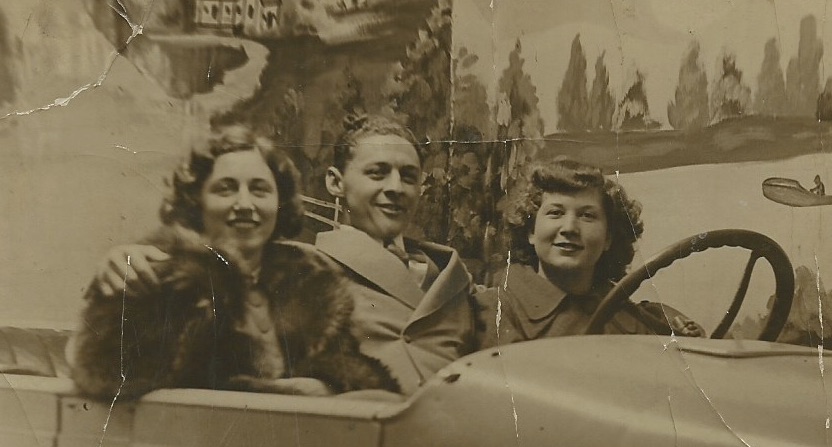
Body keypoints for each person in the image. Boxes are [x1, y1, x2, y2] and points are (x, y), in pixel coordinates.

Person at [70, 125, 399, 399]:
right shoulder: (159, 273)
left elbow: (352, 376)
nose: (245, 204)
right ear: (197, 201)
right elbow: (105, 376)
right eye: (226, 189)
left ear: (279, 203)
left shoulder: (312, 281)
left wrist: (325, 387)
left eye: (260, 190)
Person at [316, 114, 476, 394]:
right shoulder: (310, 269)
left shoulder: (450, 275)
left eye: (408, 177)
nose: (396, 188)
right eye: (377, 173)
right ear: (336, 183)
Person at [475, 158, 704, 350]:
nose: (569, 228)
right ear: (530, 232)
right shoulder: (495, 310)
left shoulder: (627, 313)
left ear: (608, 239)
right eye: (555, 213)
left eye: (587, 216)